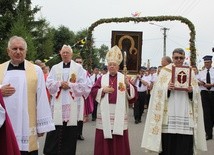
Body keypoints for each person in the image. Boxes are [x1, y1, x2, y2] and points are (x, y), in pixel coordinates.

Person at [141, 48, 207, 155]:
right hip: (169, 114)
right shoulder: (165, 71)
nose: (179, 60)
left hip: (185, 112)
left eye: (181, 58)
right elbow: (156, 90)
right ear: (172, 58)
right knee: (169, 145)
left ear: (184, 57)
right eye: (176, 58)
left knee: (184, 145)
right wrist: (166, 88)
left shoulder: (190, 71)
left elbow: (196, 92)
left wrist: (191, 90)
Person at [0, 36, 55, 155]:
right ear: (8, 51)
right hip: (4, 124)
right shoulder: (0, 69)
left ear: (26, 51)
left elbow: (41, 98)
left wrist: (42, 126)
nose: (18, 52)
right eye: (14, 48)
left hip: (27, 124)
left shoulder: (36, 70)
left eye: (21, 49)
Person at [43, 45, 91, 155]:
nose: (65, 54)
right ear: (60, 53)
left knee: (70, 131)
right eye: (63, 52)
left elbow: (85, 86)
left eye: (67, 52)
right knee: (55, 128)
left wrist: (70, 85)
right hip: (58, 104)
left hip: (72, 103)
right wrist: (60, 84)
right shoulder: (55, 68)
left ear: (71, 54)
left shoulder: (79, 69)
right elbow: (49, 83)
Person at [91, 45, 137, 155]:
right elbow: (93, 91)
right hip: (105, 111)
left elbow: (133, 95)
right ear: (107, 66)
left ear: (118, 66)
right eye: (110, 65)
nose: (112, 66)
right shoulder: (102, 78)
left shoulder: (123, 78)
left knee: (118, 135)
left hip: (119, 110)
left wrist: (128, 85)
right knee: (104, 135)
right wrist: (103, 90)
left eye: (114, 65)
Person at [74, 56, 93, 140]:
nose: (78, 63)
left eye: (80, 62)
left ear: (82, 63)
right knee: (72, 116)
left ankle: (79, 133)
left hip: (80, 97)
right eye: (77, 62)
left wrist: (83, 91)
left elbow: (89, 84)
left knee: (80, 116)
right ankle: (72, 134)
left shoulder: (85, 73)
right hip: (72, 97)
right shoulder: (71, 71)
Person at [198, 55, 214, 140]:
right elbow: (196, 81)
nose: (206, 64)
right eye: (205, 63)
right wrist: (200, 83)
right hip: (204, 93)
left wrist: (211, 85)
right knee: (206, 114)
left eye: (208, 62)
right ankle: (208, 133)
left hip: (213, 92)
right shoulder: (201, 72)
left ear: (211, 62)